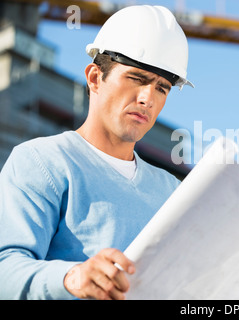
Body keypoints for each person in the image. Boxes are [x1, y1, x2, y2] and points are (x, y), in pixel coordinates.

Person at [0, 5, 193, 300]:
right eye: (137, 79)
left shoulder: (174, 192)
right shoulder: (41, 163)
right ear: (94, 78)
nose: (147, 99)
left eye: (162, 89)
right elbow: (5, 271)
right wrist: (70, 278)